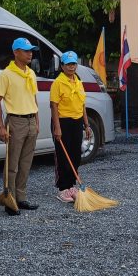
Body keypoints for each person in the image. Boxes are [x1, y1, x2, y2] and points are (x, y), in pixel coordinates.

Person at [0, 37, 41, 216]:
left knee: (26, 163)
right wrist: (0, 126)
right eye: (26, 50)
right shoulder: (6, 74)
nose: (30, 54)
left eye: (31, 50)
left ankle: (21, 197)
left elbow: (33, 97)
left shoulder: (31, 73)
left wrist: (37, 120)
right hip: (15, 121)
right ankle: (10, 200)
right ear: (16, 52)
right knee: (12, 164)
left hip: (30, 120)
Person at [50, 51, 92, 203]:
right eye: (68, 64)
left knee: (75, 156)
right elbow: (54, 106)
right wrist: (57, 127)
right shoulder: (58, 83)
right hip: (62, 122)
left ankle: (71, 185)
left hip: (77, 122)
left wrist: (86, 125)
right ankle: (62, 189)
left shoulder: (78, 82)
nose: (71, 67)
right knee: (63, 156)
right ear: (62, 66)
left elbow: (82, 105)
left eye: (73, 64)